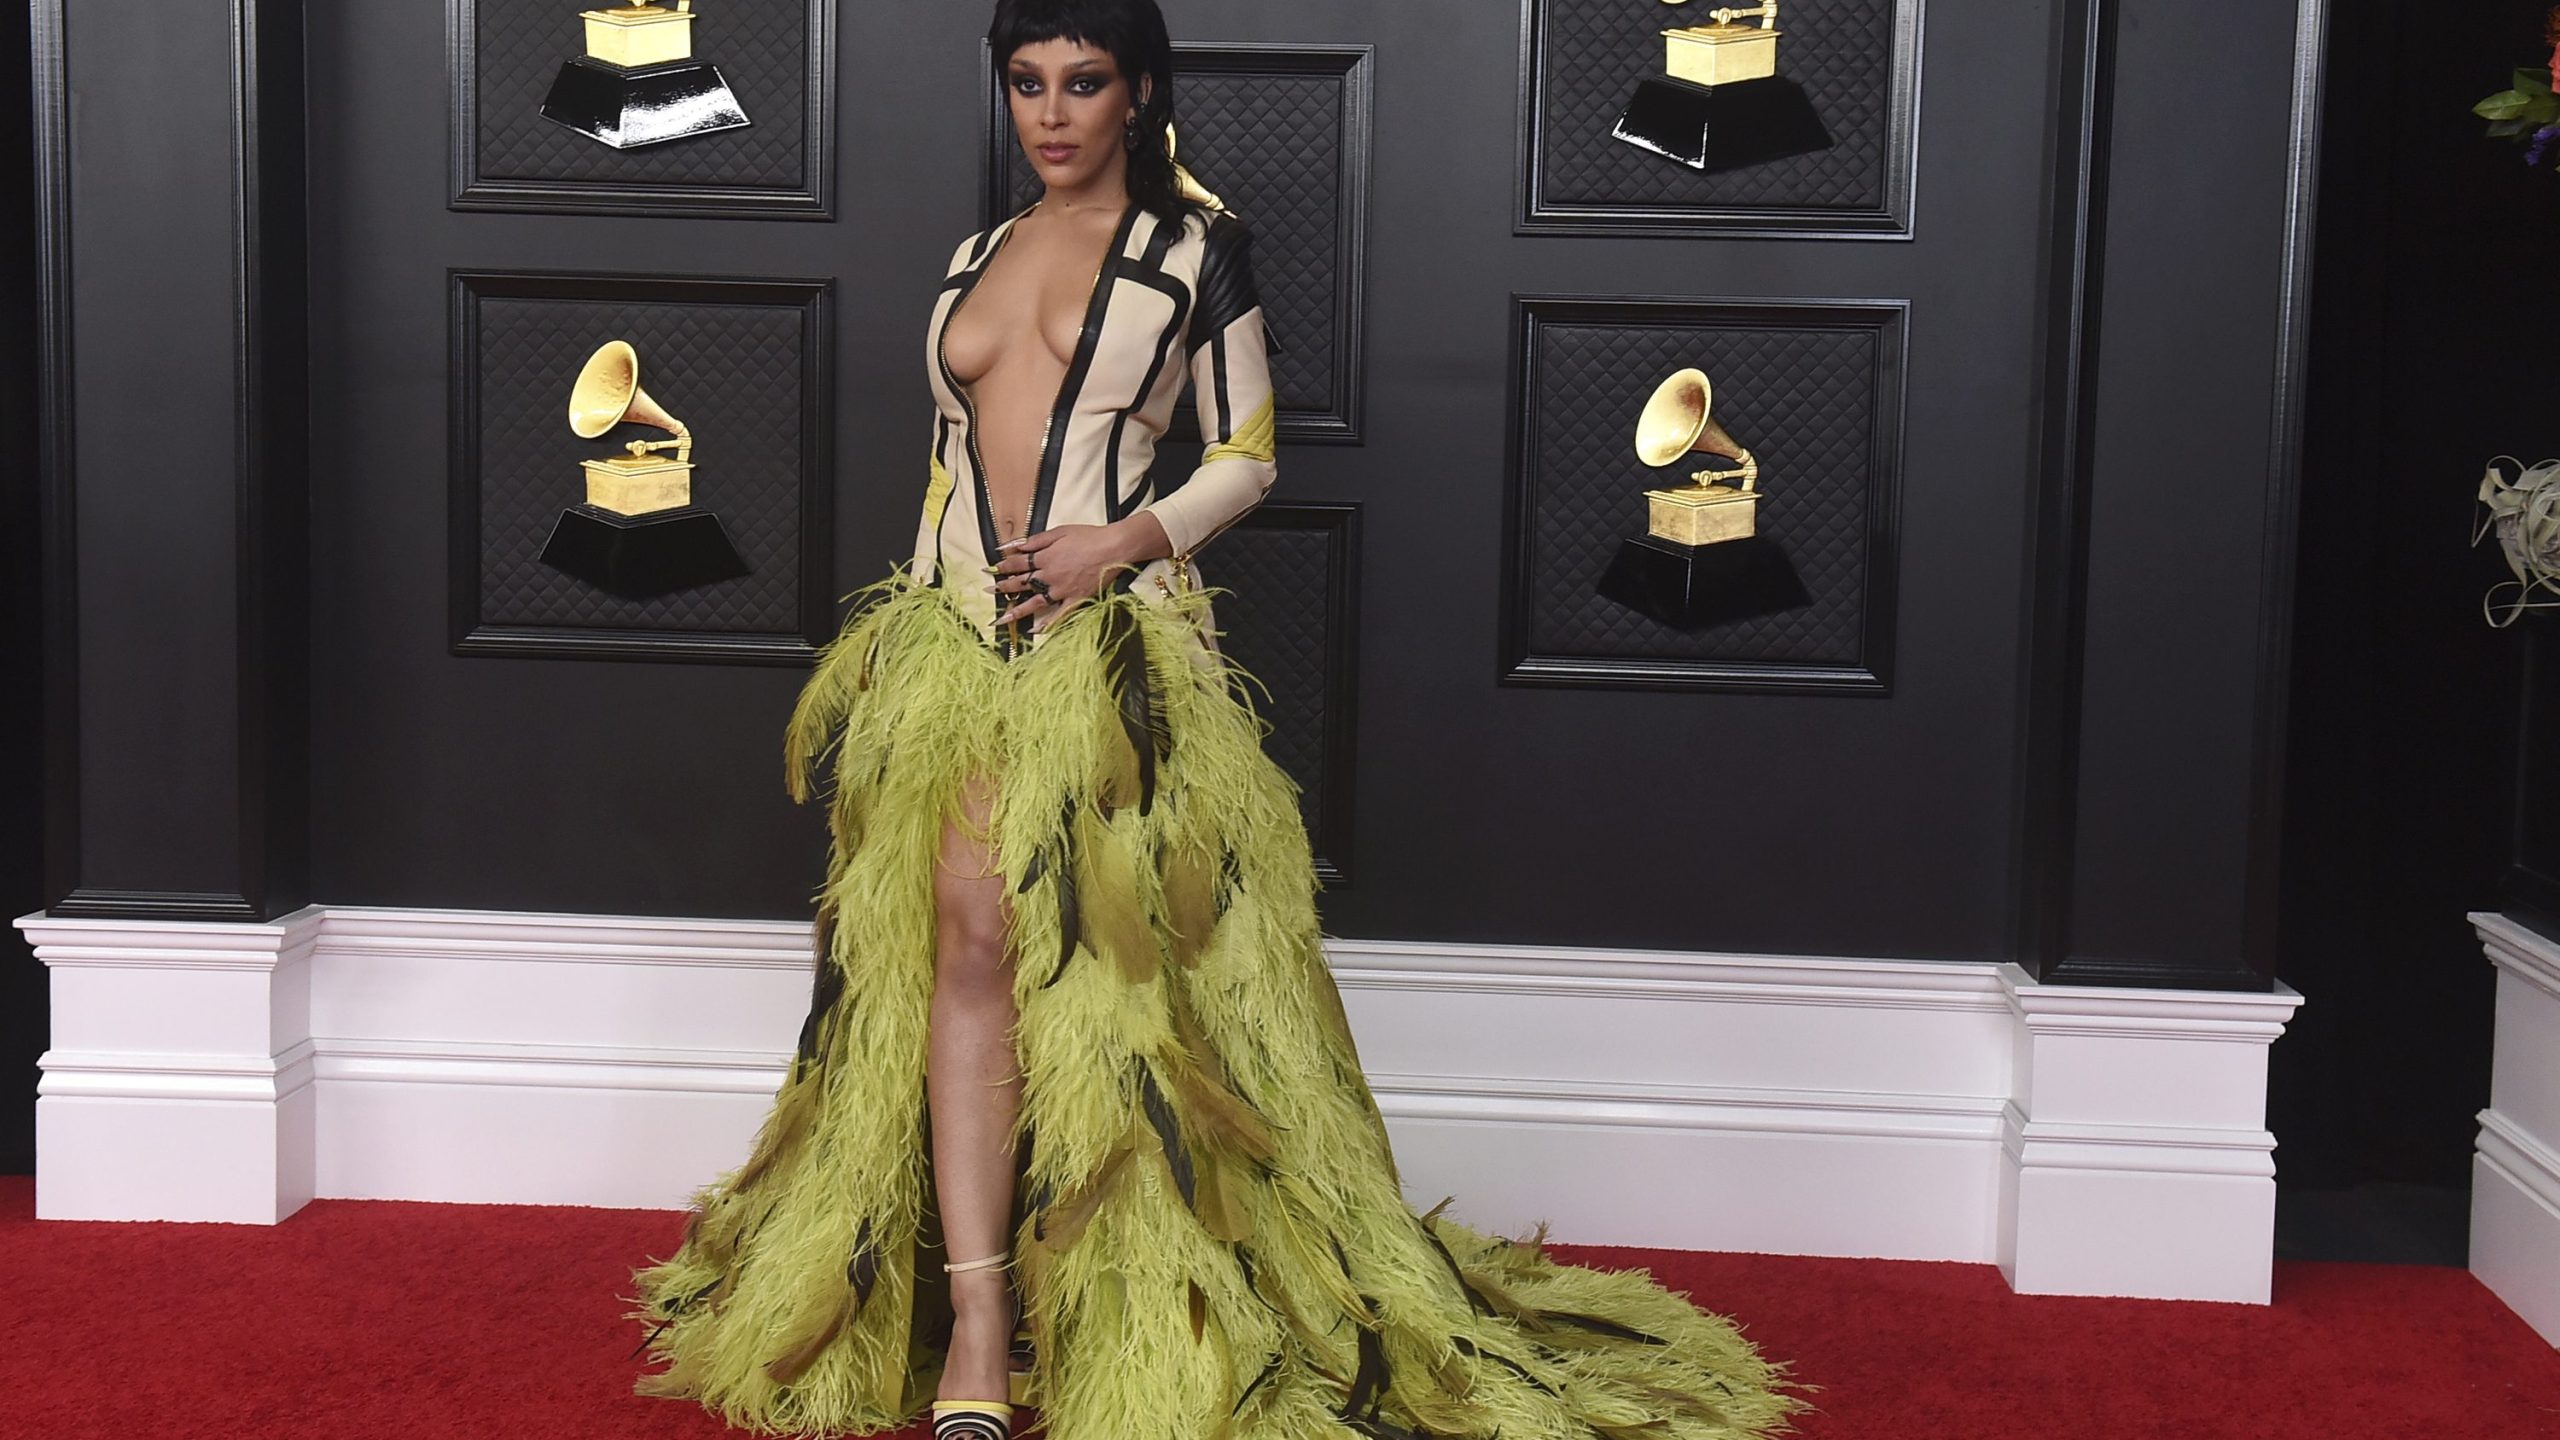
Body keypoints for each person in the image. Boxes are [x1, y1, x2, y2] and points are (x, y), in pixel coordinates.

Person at [625, 3, 1816, 1438]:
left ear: (1137, 94)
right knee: (961, 946)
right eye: (1026, 82)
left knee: (1123, 988)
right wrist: (915, 644)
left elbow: (1248, 456)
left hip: (1111, 659)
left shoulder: (1195, 254)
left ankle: (1135, 1296)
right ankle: (984, 1321)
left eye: (1083, 82)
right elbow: (950, 467)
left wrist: (1116, 544)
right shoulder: (971, 260)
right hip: (948, 656)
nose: (1051, 113)